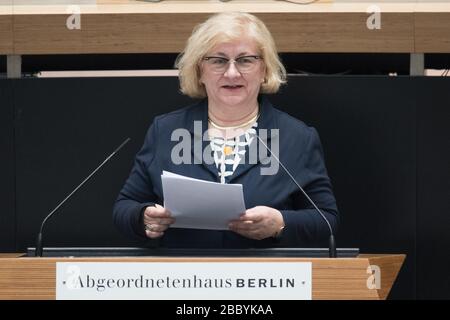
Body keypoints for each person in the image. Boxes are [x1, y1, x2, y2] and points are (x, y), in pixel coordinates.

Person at [113, 12, 339, 248]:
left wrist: (280, 223)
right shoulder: (166, 130)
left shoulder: (297, 137)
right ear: (200, 70)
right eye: (218, 61)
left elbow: (326, 220)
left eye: (245, 60)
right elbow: (125, 206)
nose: (232, 73)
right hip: (182, 277)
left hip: (265, 279)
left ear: (264, 69)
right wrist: (143, 218)